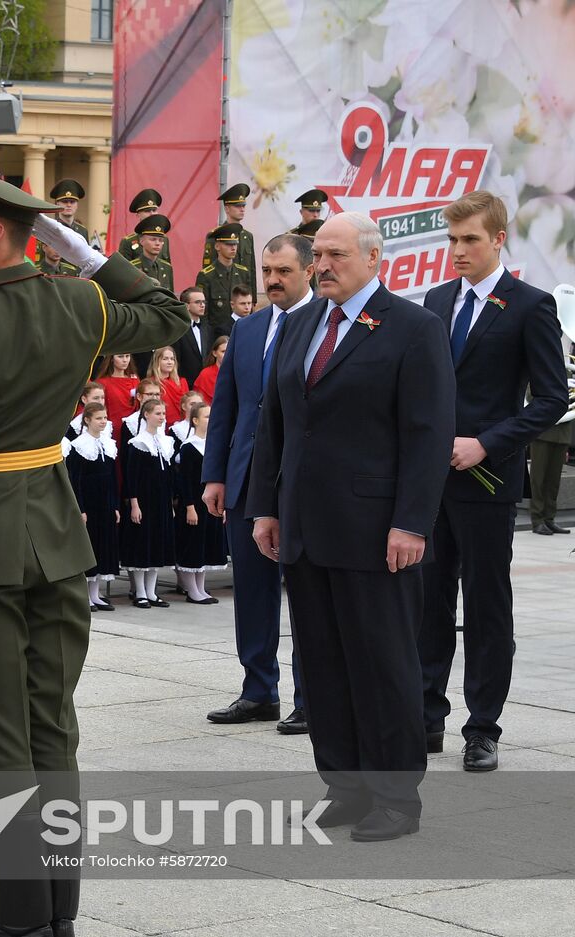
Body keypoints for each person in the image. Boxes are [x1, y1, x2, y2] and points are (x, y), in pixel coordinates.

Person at [0, 143, 188, 937]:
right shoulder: (81, 307)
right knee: (53, 731)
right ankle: (57, 918)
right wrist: (92, 258)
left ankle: (23, 924)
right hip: (59, 539)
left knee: (6, 741)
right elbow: (170, 316)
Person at [247, 212, 454, 842]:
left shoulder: (413, 328)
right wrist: (267, 505)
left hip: (375, 529)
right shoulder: (303, 322)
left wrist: (412, 522)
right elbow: (276, 422)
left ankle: (395, 796)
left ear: (373, 257)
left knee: (381, 662)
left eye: (335, 254)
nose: (322, 265)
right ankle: (344, 784)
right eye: (318, 256)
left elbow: (428, 432)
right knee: (324, 661)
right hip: (306, 526)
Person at [418, 190, 568, 771]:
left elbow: (553, 398)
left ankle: (482, 728)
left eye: (470, 240)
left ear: (498, 239)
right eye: (452, 240)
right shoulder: (435, 300)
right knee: (428, 602)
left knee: (486, 605)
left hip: (488, 481)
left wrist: (487, 444)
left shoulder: (529, 305)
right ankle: (427, 715)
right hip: (430, 482)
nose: (457, 250)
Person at [202, 233, 314, 733]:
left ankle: (311, 697)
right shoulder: (247, 330)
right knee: (251, 589)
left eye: (283, 272)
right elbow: (226, 407)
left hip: (303, 480)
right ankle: (258, 690)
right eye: (267, 271)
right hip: (247, 478)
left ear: (309, 271)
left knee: (309, 593)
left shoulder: (325, 325)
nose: (272, 281)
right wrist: (216, 476)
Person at [120, 399, 176, 608]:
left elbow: (168, 476)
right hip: (144, 500)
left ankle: (152, 592)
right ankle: (140, 592)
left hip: (160, 501)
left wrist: (170, 503)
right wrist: (134, 504)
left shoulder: (165, 442)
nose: (162, 417)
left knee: (157, 545)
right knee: (142, 544)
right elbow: (131, 477)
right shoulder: (138, 443)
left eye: (163, 413)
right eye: (157, 413)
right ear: (146, 415)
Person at [64, 401, 119, 611]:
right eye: (98, 418)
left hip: (105, 502)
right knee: (90, 545)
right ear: (87, 420)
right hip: (89, 502)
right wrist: (81, 508)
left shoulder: (108, 444)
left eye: (105, 418)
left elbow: (112, 478)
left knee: (102, 546)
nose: (103, 422)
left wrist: (114, 505)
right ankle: (85, 595)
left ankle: (96, 595)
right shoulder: (79, 446)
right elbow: (76, 480)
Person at [174, 402, 226, 604]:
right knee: (192, 545)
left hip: (209, 504)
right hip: (194, 503)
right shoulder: (188, 447)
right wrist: (189, 507)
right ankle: (191, 590)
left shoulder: (213, 444)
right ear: (195, 420)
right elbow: (184, 480)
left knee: (204, 545)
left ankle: (201, 588)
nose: (210, 420)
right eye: (206, 417)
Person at [197, 223, 253, 335]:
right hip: (216, 334)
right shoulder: (206, 275)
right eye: (228, 244)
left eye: (235, 244)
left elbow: (249, 304)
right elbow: (203, 310)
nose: (233, 248)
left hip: (241, 330)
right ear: (217, 246)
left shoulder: (243, 272)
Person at [201, 183, 257, 276]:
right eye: (238, 206)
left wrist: (252, 291)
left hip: (244, 288)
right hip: (223, 286)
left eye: (243, 206)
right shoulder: (215, 235)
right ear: (227, 209)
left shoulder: (248, 236)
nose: (242, 209)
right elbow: (208, 271)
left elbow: (252, 271)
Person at [530, 416, 573, 534]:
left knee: (554, 481)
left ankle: (549, 518)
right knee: (538, 479)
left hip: (563, 435)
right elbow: (530, 397)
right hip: (543, 432)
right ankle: (537, 519)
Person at [43, 179, 91, 274]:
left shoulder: (83, 231)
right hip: (57, 279)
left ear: (77, 205)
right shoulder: (50, 228)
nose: (68, 205)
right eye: (65, 202)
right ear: (57, 203)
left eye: (72, 202)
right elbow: (43, 261)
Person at [117, 188, 173, 265]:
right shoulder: (128, 242)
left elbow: (166, 267)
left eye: (154, 210)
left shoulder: (164, 239)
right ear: (138, 215)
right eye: (147, 211)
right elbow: (122, 270)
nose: (152, 214)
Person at [171, 286, 212, 383]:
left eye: (203, 302)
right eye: (198, 302)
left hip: (205, 383)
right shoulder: (178, 330)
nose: (202, 305)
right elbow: (176, 360)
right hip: (185, 383)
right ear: (186, 306)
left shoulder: (207, 328)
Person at [128, 214, 174, 293]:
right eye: (153, 239)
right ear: (141, 241)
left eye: (160, 240)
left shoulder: (167, 267)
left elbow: (171, 295)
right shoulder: (132, 267)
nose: (157, 243)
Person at [146, 346, 189, 426]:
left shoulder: (182, 382)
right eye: (165, 359)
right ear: (157, 361)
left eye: (172, 359)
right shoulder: (151, 383)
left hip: (182, 427)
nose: (170, 362)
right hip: (161, 425)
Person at [95, 352, 138, 426]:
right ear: (111, 359)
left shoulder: (135, 380)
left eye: (127, 356)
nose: (125, 360)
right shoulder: (102, 382)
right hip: (111, 424)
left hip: (133, 425)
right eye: (120, 356)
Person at [193, 334, 229, 404]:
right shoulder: (205, 374)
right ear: (215, 353)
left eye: (229, 351)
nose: (227, 354)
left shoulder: (238, 373)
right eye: (223, 351)